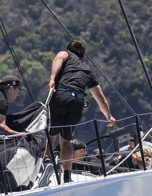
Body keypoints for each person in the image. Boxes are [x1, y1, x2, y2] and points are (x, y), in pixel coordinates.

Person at [48, 40, 116, 182]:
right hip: (78, 100)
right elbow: (101, 99)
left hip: (61, 95)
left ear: (70, 50)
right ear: (83, 56)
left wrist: (52, 78)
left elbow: (59, 57)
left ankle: (47, 166)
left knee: (51, 136)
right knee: (66, 141)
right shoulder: (88, 71)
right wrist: (108, 116)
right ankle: (67, 175)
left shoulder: (66, 54)